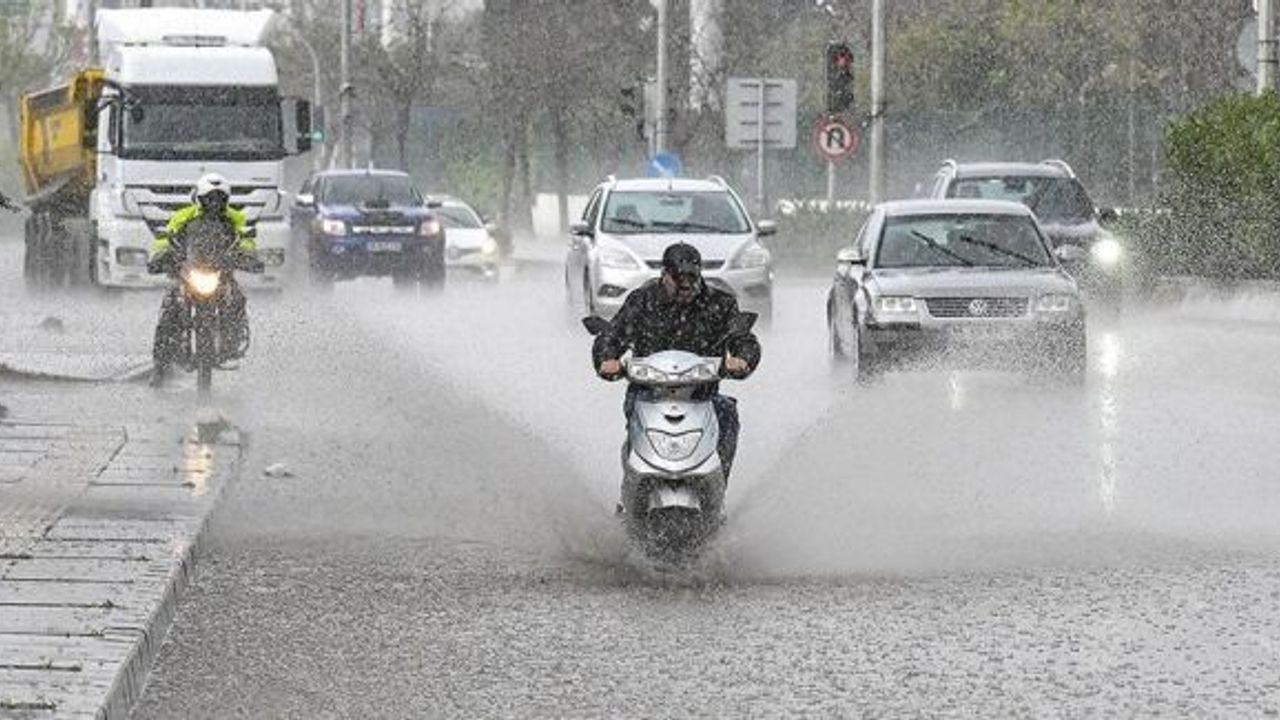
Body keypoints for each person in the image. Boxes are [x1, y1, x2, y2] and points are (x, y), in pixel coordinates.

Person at [592, 242, 761, 482]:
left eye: (692, 278)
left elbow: (742, 338)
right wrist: (607, 358)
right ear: (664, 275)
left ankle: (718, 483)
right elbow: (613, 335)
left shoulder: (720, 304)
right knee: (635, 413)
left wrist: (743, 358)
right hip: (647, 392)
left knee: (727, 414)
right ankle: (632, 484)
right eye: (678, 279)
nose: (686, 286)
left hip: (703, 395)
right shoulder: (641, 301)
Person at [147, 173, 261, 385]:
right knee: (170, 305)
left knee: (236, 299)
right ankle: (160, 364)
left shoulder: (236, 218)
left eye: (219, 198)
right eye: (209, 198)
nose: (214, 203)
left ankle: (232, 341)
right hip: (190, 272)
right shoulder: (184, 216)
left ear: (226, 200)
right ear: (198, 198)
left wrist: (249, 258)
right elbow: (166, 239)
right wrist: (160, 257)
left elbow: (245, 240)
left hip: (221, 274)